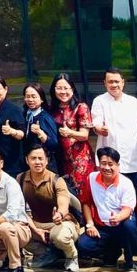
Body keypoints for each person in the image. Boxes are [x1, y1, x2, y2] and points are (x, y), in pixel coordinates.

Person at [75, 147, 137, 272]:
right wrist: (89, 224)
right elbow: (86, 203)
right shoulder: (91, 178)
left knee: (129, 226)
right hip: (101, 227)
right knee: (82, 246)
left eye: (111, 164)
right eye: (103, 163)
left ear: (118, 166)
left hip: (121, 226)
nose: (107, 168)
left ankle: (129, 261)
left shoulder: (126, 184)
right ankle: (111, 253)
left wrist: (118, 217)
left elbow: (127, 209)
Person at [20, 146, 80, 272]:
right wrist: (35, 229)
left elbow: (63, 202)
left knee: (60, 237)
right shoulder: (20, 179)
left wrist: (60, 214)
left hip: (60, 223)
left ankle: (71, 256)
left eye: (40, 158)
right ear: (27, 160)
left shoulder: (57, 180)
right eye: (33, 158)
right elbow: (19, 209)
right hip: (36, 226)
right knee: (15, 232)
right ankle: (47, 253)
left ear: (46, 161)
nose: (37, 162)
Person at [90, 68, 137, 191]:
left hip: (133, 161)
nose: (114, 85)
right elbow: (96, 124)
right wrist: (100, 129)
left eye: (117, 81)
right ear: (105, 83)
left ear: (123, 82)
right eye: (110, 82)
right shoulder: (99, 101)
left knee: (135, 198)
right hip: (109, 163)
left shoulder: (134, 102)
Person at [48, 73, 93, 203]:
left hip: (79, 159)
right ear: (53, 90)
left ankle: (86, 221)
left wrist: (70, 132)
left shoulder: (81, 107)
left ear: (72, 90)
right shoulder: (52, 110)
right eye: (59, 88)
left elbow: (84, 135)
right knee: (63, 192)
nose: (63, 92)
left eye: (66, 88)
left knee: (82, 193)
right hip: (59, 158)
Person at [20, 83, 61, 174]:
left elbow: (54, 143)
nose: (30, 99)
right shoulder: (24, 115)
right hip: (27, 163)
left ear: (41, 99)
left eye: (34, 96)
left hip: (43, 164)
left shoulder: (45, 117)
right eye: (28, 96)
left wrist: (40, 133)